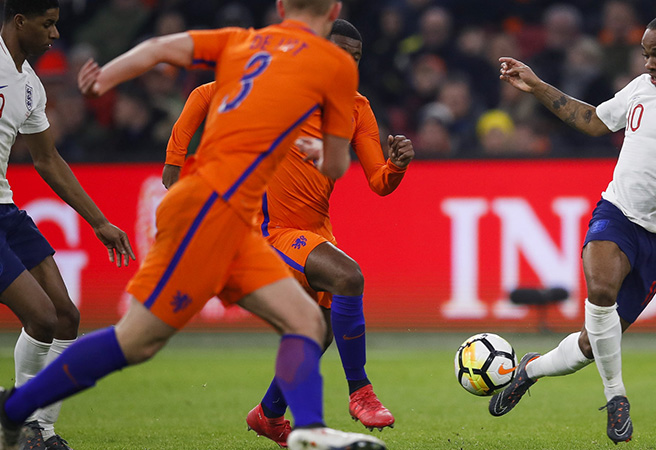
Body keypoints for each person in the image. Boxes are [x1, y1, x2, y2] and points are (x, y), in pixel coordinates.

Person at [0, 1, 388, 450]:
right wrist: (316, 149)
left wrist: (105, 79)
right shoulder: (334, 66)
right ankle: (14, 410)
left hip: (230, 217)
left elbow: (161, 48)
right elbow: (338, 164)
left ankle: (308, 428)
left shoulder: (243, 41)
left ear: (281, 8)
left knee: (305, 318)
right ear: (334, 10)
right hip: (209, 210)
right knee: (136, 341)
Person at [488, 11, 656, 444]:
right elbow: (594, 120)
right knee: (602, 289)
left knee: (592, 346)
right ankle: (616, 399)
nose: (649, 64)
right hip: (617, 211)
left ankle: (529, 369)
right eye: (646, 54)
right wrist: (535, 85)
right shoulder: (642, 87)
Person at [161, 19, 414, 447]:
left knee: (322, 328)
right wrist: (174, 163)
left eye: (354, 59)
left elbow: (378, 181)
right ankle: (360, 393)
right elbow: (204, 95)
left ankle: (269, 412)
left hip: (314, 231)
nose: (346, 65)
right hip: (268, 229)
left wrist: (397, 166)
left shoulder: (356, 107)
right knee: (349, 277)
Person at [0, 1, 135, 449]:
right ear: (20, 21)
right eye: (48, 24)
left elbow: (47, 159)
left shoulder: (31, 86)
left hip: (5, 210)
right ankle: (20, 426)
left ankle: (40, 428)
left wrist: (100, 221)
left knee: (65, 317)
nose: (55, 34)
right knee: (39, 316)